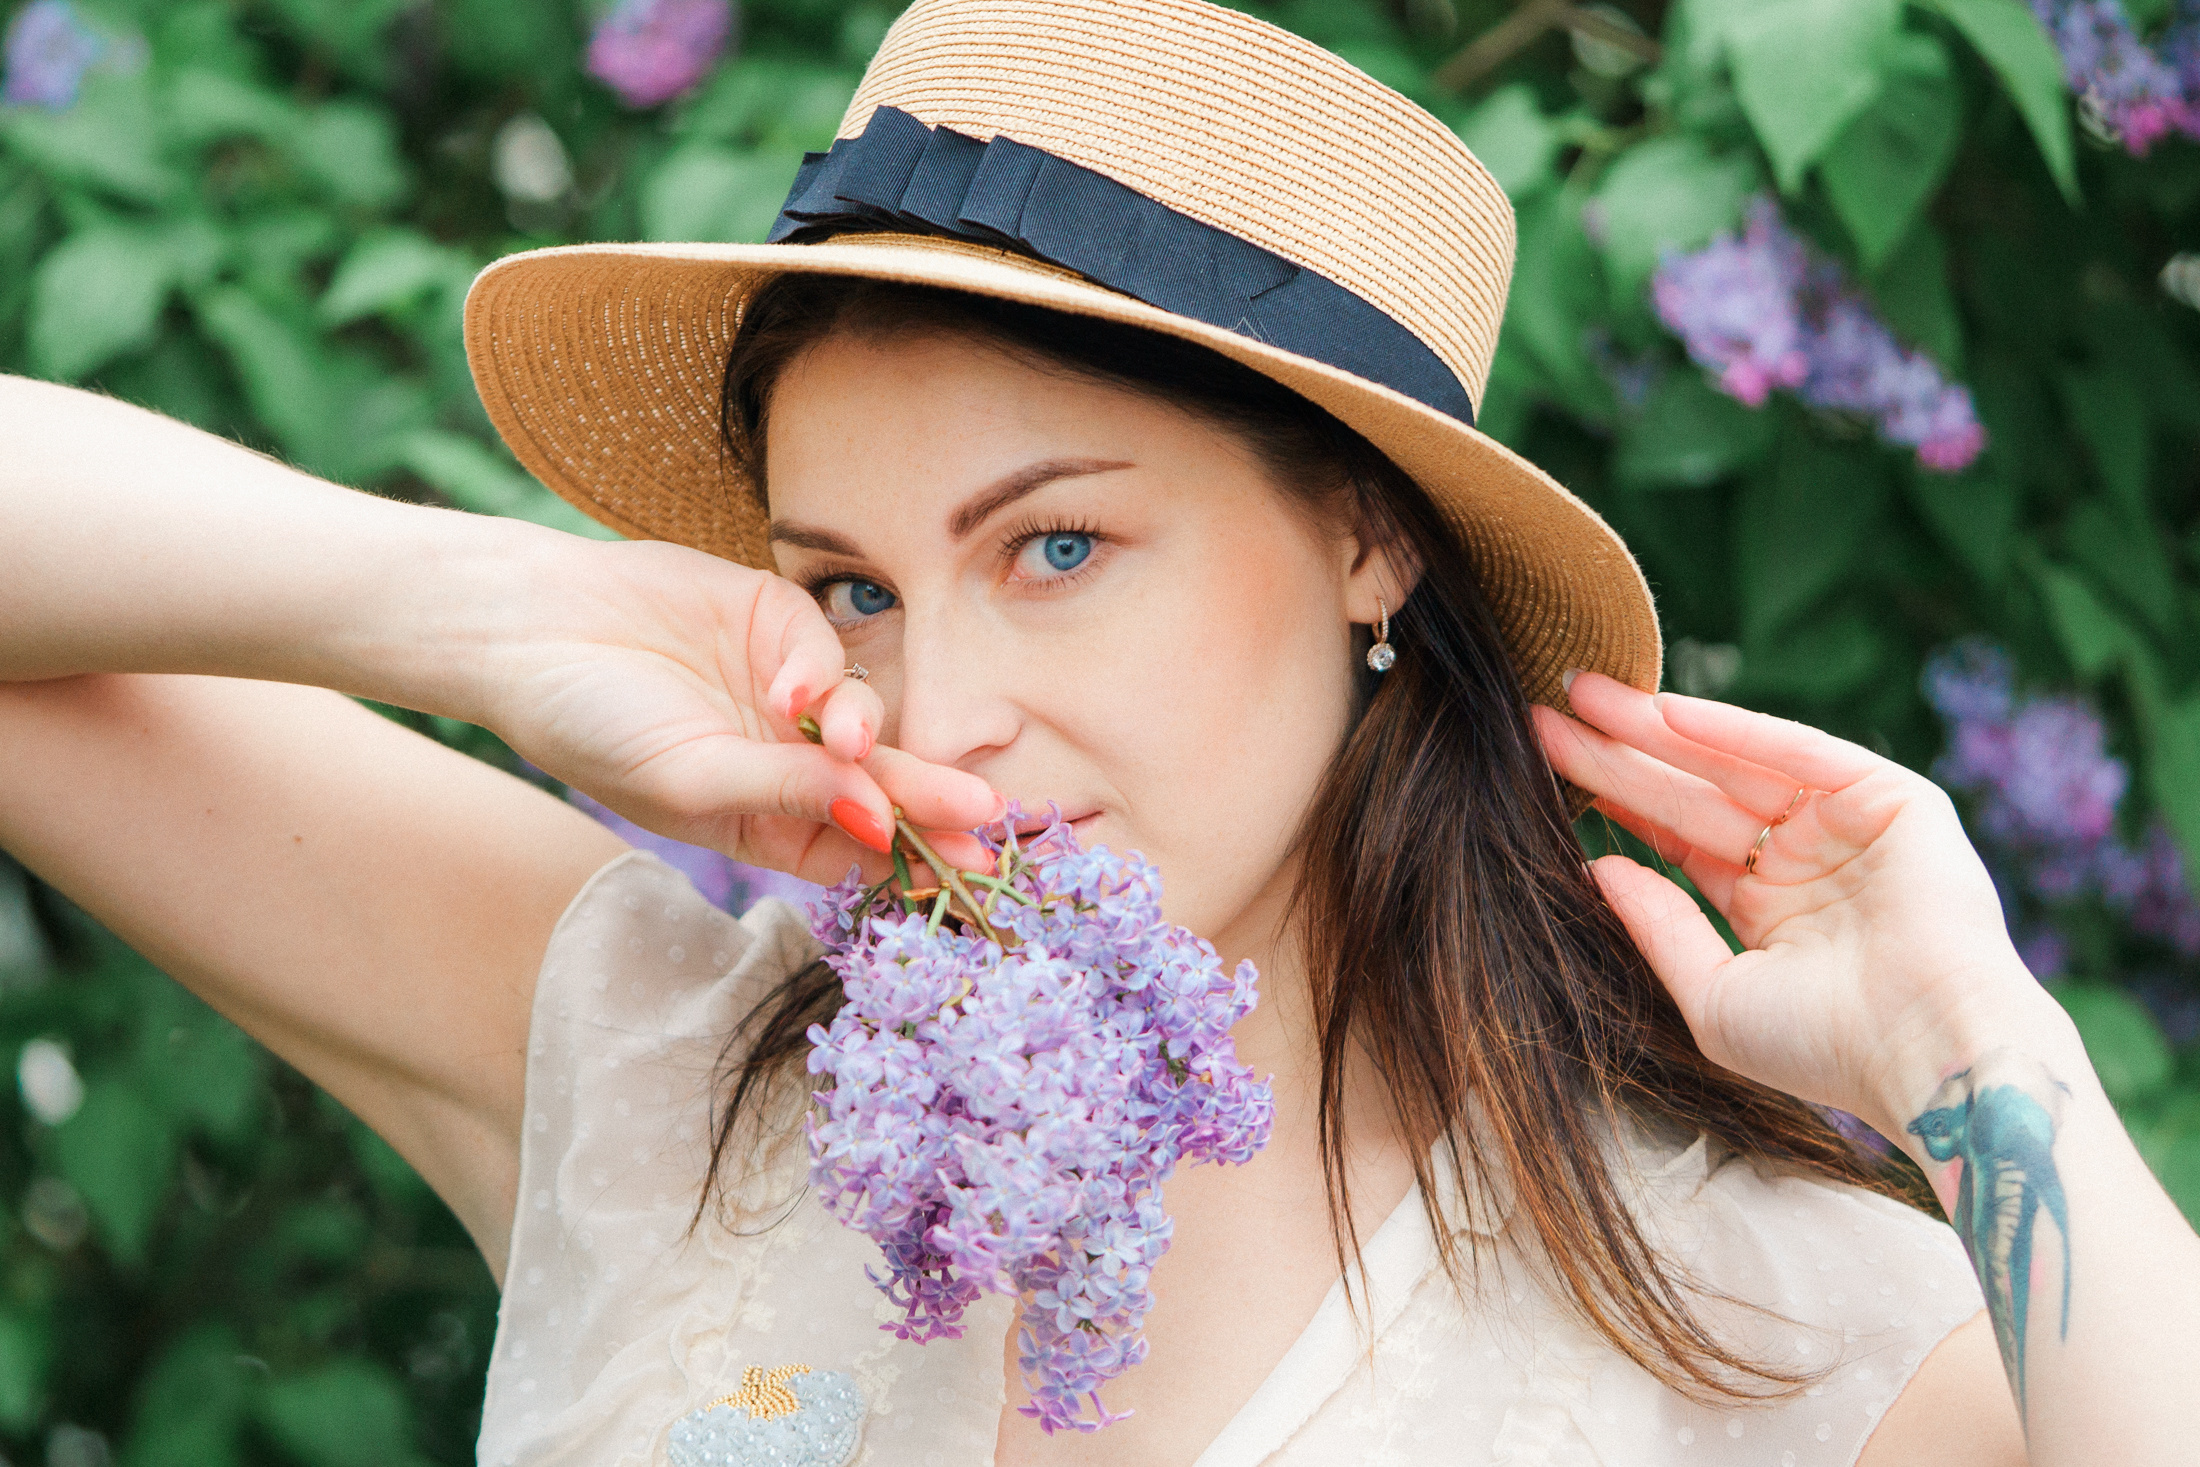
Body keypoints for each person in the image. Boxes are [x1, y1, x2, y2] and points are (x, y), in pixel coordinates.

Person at [2, 0, 2196, 1463]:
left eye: (1051, 548)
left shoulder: (1776, 1334)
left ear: (1366, 536)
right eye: (849, 579)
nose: (934, 706)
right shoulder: (650, 1046)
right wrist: (489, 600)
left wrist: (1982, 1066)